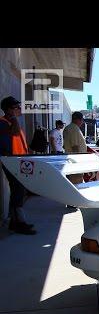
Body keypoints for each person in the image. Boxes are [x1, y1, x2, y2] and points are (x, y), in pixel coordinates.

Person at [0, 96, 36, 234]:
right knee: (18, 190)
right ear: (8, 110)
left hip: (19, 162)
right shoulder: (3, 123)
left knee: (18, 191)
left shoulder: (11, 122)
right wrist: (14, 118)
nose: (20, 110)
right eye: (17, 108)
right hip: (12, 162)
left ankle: (15, 222)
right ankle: (19, 222)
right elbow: (10, 138)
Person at [63, 111, 89, 184]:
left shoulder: (68, 128)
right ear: (77, 119)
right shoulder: (74, 128)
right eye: (81, 120)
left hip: (70, 159)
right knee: (76, 181)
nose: (82, 122)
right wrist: (78, 163)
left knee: (72, 180)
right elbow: (75, 146)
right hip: (75, 161)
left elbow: (65, 146)